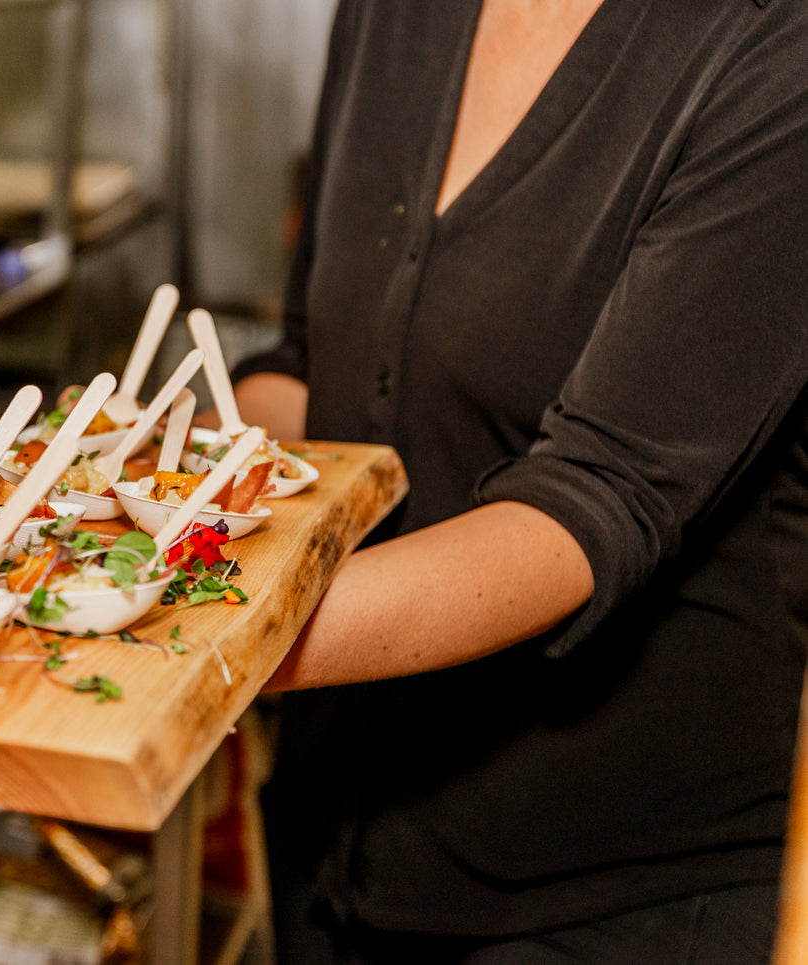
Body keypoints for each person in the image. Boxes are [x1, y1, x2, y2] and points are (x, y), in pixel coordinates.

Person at [226, 0, 808, 961]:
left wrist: (201, 636)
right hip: (329, 836)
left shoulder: (771, 44)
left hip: (591, 895)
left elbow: (589, 503)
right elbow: (313, 365)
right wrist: (179, 475)